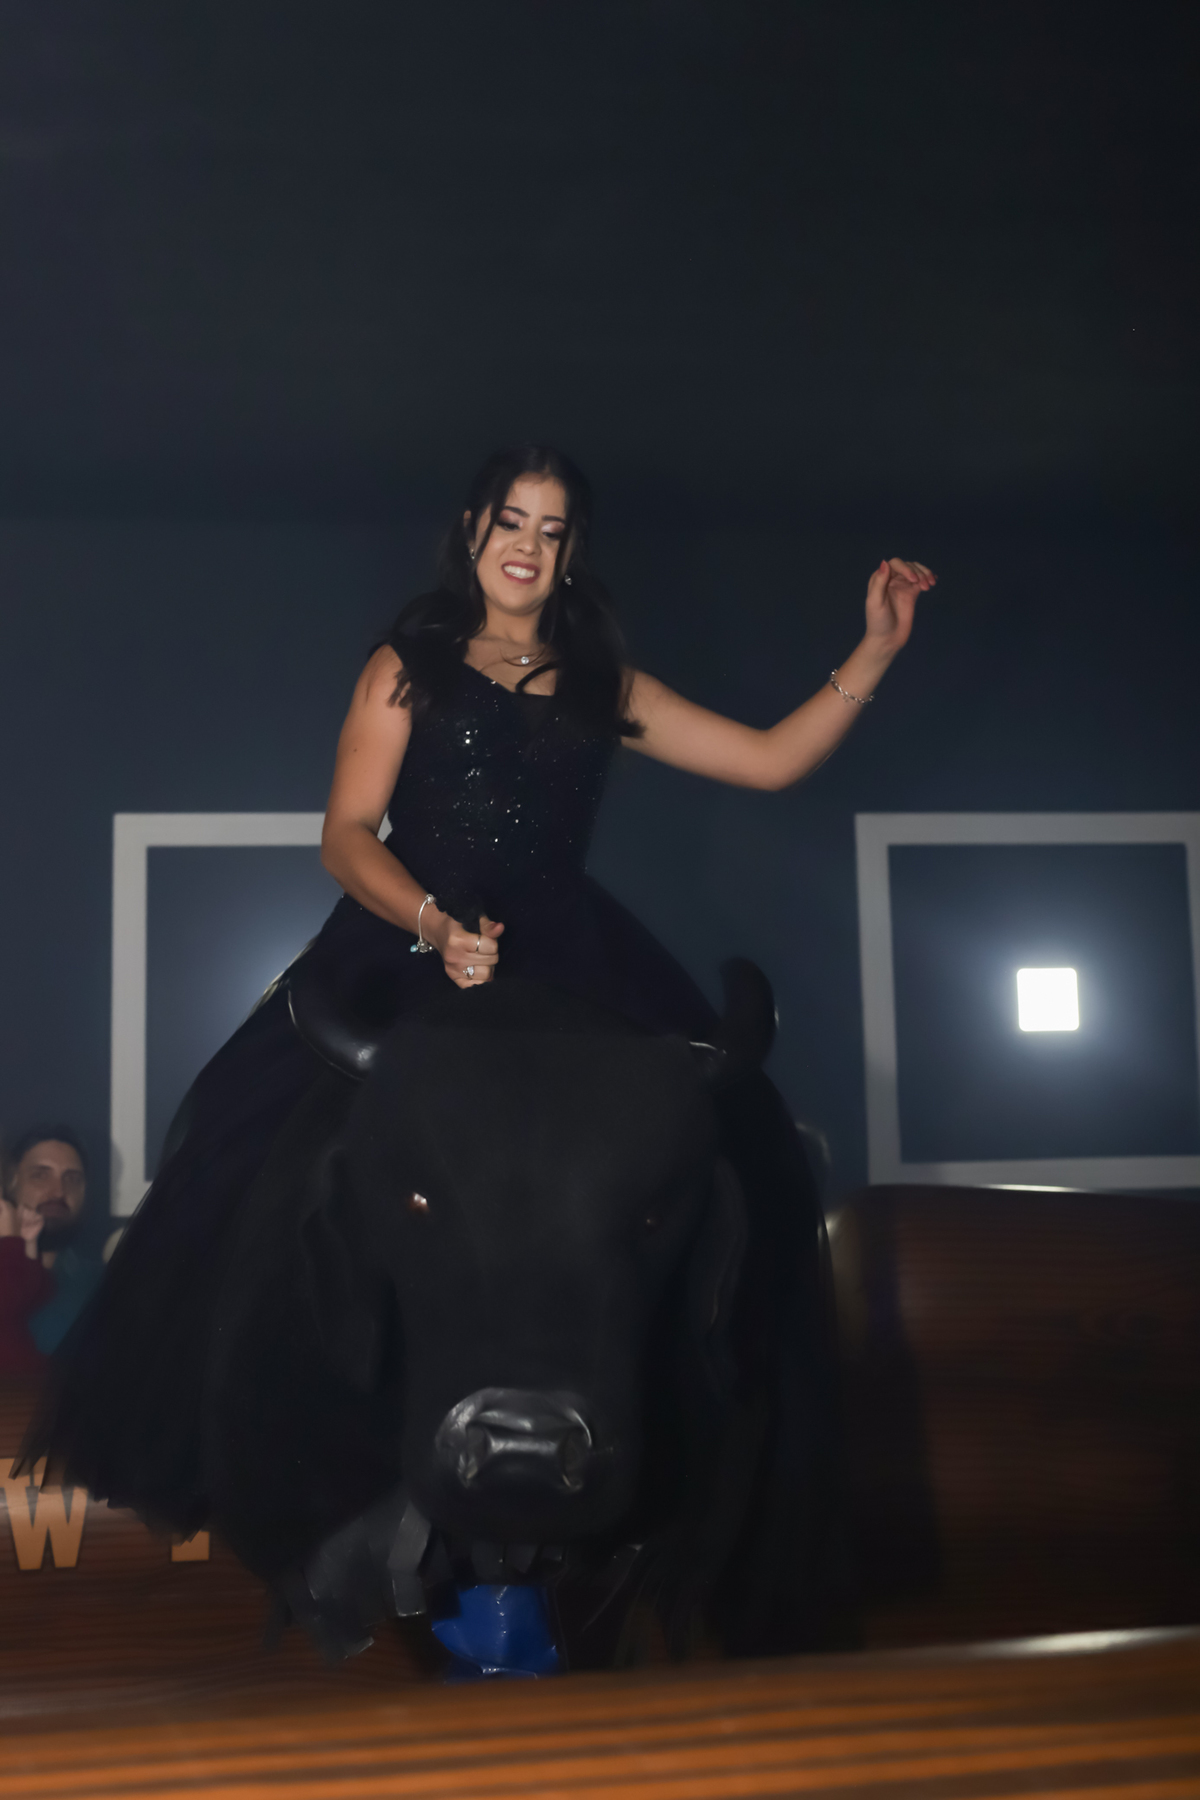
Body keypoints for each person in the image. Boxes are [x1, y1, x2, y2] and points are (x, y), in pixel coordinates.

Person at [27, 445, 933, 1646]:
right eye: (513, 522)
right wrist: (434, 924)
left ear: (570, 554)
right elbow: (346, 832)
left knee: (737, 1131)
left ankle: (650, 1496)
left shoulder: (604, 680)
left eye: (553, 531)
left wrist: (875, 649)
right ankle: (344, 1502)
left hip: (570, 954)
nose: (528, 547)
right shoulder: (407, 666)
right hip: (410, 938)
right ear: (473, 531)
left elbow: (768, 760)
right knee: (250, 1150)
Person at [0, 1127, 102, 1378]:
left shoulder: (106, 1283)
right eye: (40, 1175)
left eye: (72, 1179)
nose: (57, 1191)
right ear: (10, 1183)